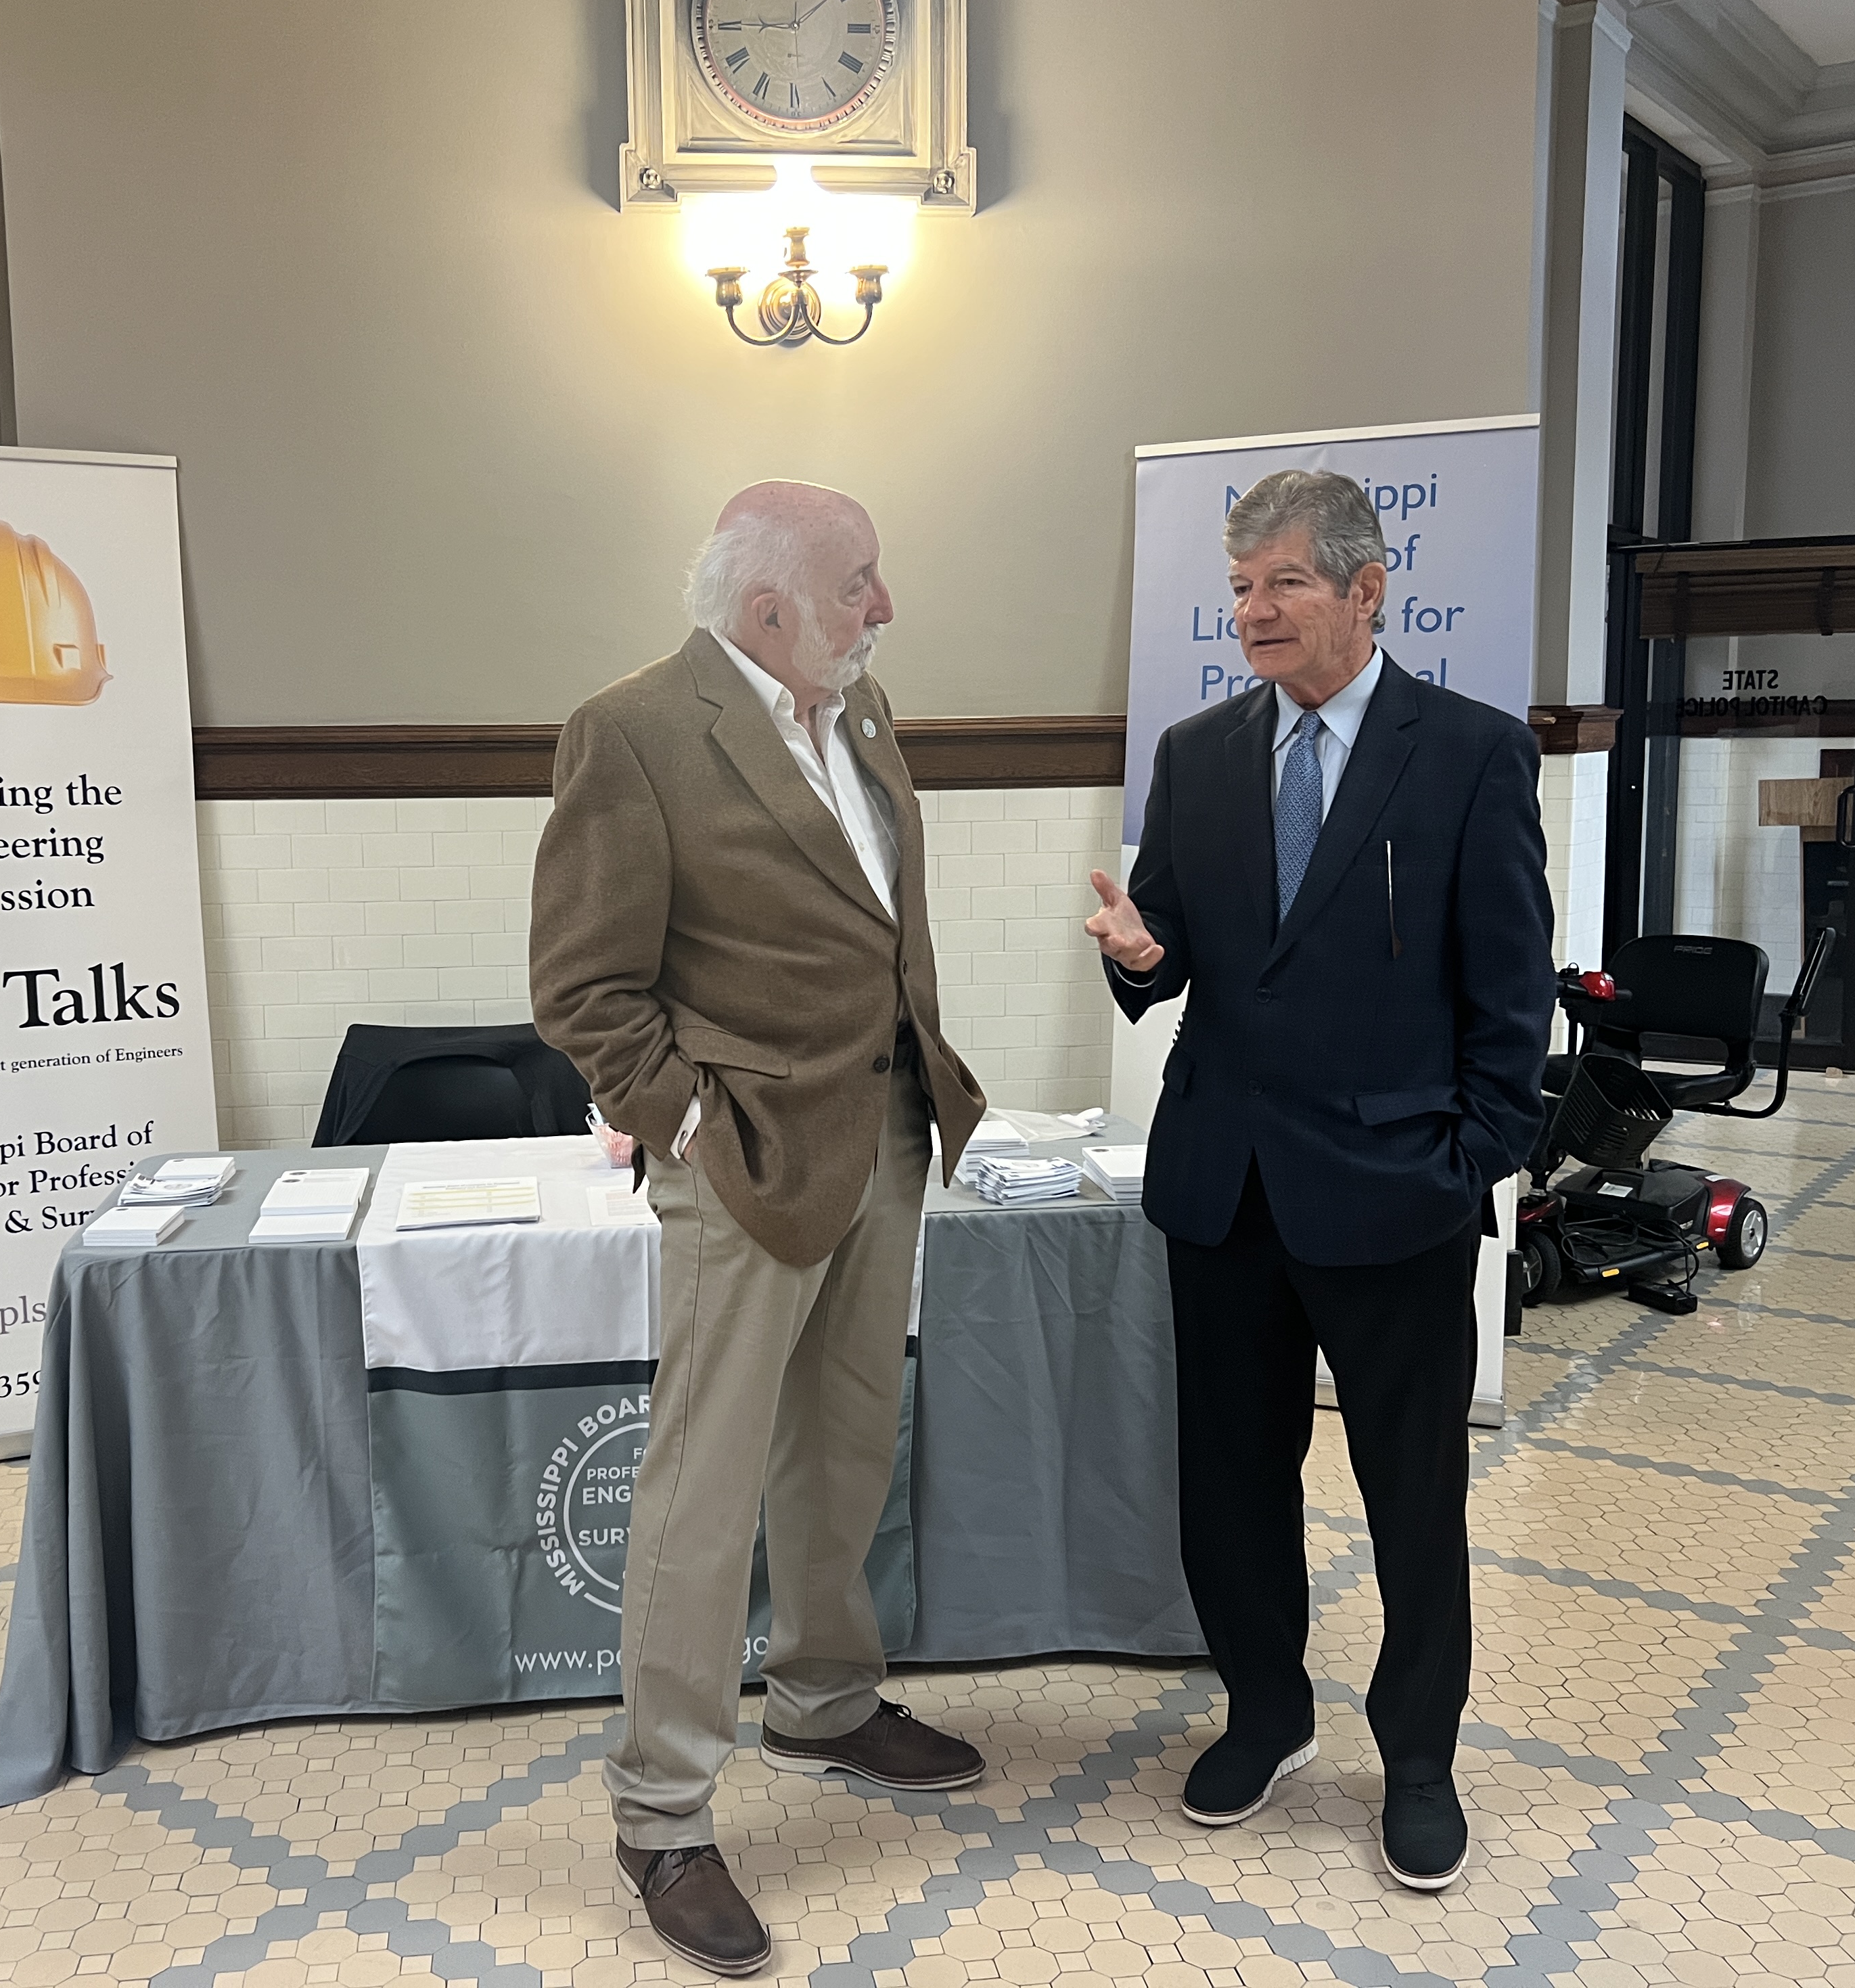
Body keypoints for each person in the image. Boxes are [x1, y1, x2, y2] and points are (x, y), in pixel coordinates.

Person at [530, 480, 991, 1976]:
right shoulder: (640, 730)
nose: (885, 608)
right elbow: (586, 988)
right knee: (704, 1482)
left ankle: (827, 1698)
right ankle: (662, 1812)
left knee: (844, 1443)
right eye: (863, 581)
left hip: (887, 1131)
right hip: (746, 1158)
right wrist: (682, 1126)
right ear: (769, 605)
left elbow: (876, 923)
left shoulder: (858, 711)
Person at [1083, 468, 1551, 1891]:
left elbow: (1512, 985)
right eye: (1237, 587)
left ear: (1366, 590)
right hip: (1225, 1187)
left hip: (1395, 1186)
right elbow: (1167, 931)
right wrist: (1138, 957)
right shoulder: (1200, 751)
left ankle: (1416, 1756)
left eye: (1284, 582)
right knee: (1229, 1477)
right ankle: (1265, 1709)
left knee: (1414, 1491)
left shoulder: (1469, 752)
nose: (1253, 612)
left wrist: (1472, 1156)